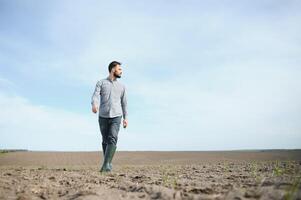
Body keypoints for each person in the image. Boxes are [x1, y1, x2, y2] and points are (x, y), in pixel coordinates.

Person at [91, 61, 128, 172]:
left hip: (116, 116)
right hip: (103, 116)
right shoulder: (101, 83)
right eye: (119, 69)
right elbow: (95, 95)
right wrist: (94, 104)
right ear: (113, 69)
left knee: (113, 137)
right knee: (105, 140)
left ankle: (105, 166)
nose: (121, 71)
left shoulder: (122, 86)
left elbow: (124, 103)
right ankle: (107, 163)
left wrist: (126, 118)